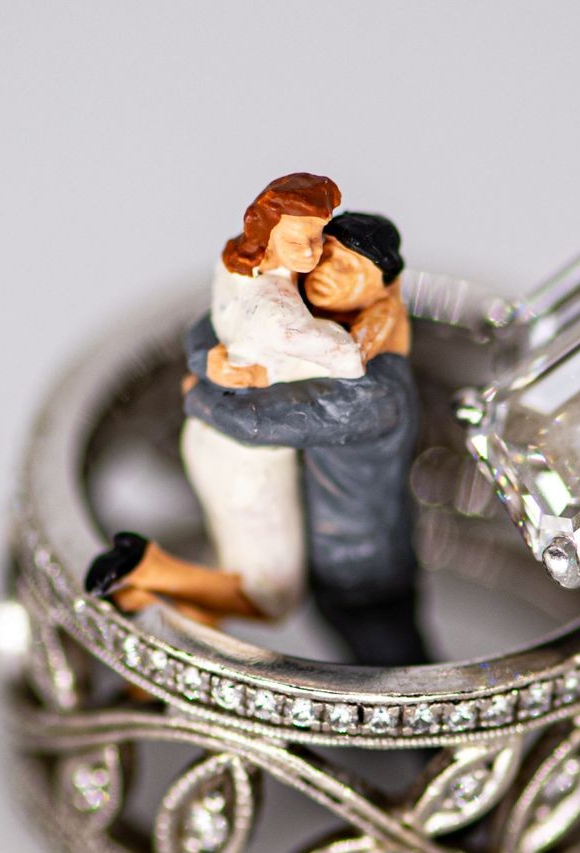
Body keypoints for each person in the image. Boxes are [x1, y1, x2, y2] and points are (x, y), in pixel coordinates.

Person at [87, 175, 426, 664]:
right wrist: (207, 361)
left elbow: (259, 422)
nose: (327, 270)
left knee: (391, 667)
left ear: (381, 295)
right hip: (311, 541)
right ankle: (149, 583)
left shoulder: (376, 393)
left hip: (359, 570)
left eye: (353, 273)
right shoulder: (305, 314)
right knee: (278, 604)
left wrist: (198, 393)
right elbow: (209, 324)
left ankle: (148, 591)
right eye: (329, 255)